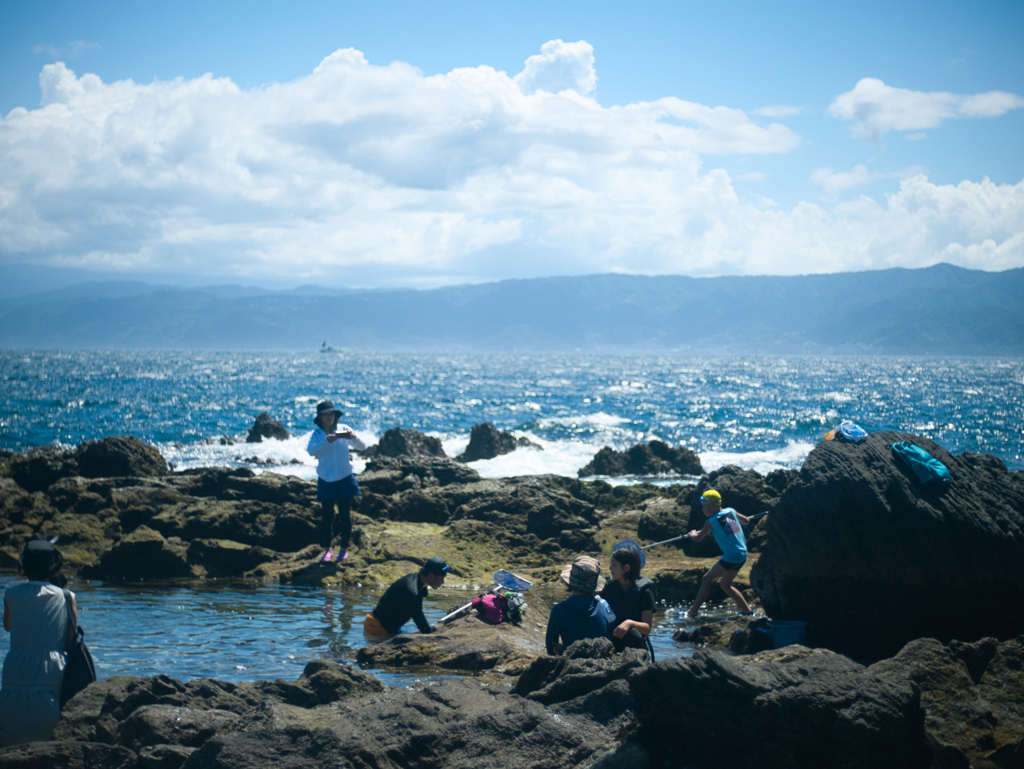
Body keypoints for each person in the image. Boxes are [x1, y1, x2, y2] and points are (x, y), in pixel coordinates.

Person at [0, 538, 77, 746]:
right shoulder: (66, 597)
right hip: (51, 673)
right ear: (54, 569)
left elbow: (8, 626)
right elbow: (70, 641)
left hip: (15, 670)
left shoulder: (10, 594)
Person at [307, 400, 366, 563]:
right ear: (320, 417)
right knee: (327, 516)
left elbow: (363, 447)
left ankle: (344, 549)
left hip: (345, 477)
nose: (329, 417)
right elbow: (311, 451)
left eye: (331, 414)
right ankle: (327, 550)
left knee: (345, 515)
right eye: (325, 414)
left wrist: (354, 437)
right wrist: (327, 440)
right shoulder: (317, 434)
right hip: (326, 478)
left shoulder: (344, 429)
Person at [685, 489, 753, 618]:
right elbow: (746, 521)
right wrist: (735, 521)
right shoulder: (730, 511)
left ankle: (693, 611)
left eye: (704, 506)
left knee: (706, 579)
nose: (703, 509)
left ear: (711, 506)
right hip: (742, 554)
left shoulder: (711, 521)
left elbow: (698, 539)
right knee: (725, 585)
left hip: (732, 555)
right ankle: (747, 611)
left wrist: (692, 534)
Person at [364, 556, 450, 637]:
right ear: (431, 576)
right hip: (376, 627)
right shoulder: (411, 590)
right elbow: (421, 623)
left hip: (389, 628)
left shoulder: (420, 583)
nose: (442, 582)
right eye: (441, 578)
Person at [545, 556, 615, 656]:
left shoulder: (559, 610)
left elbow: (551, 649)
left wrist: (563, 648)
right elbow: (605, 645)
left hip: (571, 666)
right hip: (600, 665)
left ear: (569, 583)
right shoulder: (602, 607)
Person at [600, 546, 655, 653]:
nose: (610, 568)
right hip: (610, 642)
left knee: (632, 632)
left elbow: (647, 628)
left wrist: (630, 623)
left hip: (633, 646)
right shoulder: (608, 587)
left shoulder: (644, 592)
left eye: (614, 565)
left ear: (626, 568)